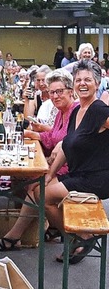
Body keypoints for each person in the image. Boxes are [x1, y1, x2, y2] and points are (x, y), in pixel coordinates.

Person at [0, 69, 78, 250]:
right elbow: (53, 136)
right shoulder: (61, 112)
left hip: (73, 168)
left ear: (71, 91)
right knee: (32, 185)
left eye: (59, 91)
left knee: (36, 188)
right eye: (52, 92)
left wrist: (48, 142)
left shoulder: (76, 111)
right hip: (59, 164)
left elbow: (72, 141)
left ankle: (71, 236)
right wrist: (33, 134)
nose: (54, 96)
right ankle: (19, 235)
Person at [41, 60, 109, 264]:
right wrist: (50, 175)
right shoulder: (78, 111)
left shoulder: (99, 110)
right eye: (78, 79)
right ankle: (76, 237)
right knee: (42, 188)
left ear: (97, 83)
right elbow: (65, 146)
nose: (82, 83)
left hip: (96, 178)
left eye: (88, 79)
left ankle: (82, 238)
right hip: (79, 174)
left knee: (46, 197)